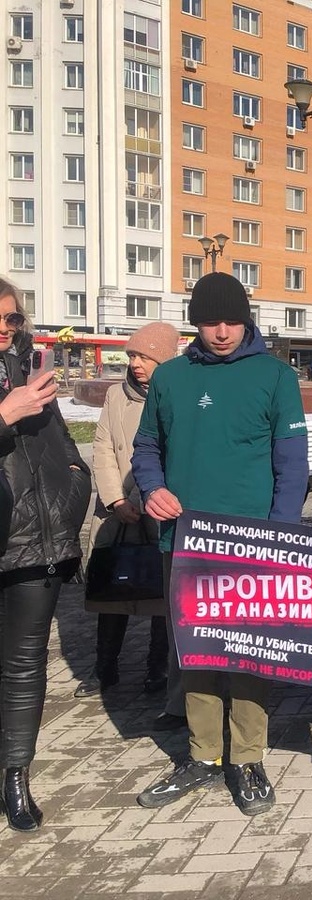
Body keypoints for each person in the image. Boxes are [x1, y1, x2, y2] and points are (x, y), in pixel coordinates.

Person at [132, 272, 308, 816]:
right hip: (184, 539)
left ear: (247, 321)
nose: (223, 332)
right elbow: (146, 445)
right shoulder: (171, 377)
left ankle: (248, 757)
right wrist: (152, 488)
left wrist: (280, 534)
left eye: (232, 321)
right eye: (211, 322)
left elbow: (291, 465)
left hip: (251, 541)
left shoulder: (275, 376)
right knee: (196, 651)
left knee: (249, 653)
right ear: (196, 324)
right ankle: (204, 754)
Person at [0, 278, 91, 832]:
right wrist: (5, 415)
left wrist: (75, 484)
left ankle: (16, 775)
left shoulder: (26, 371)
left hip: (37, 543)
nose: (4, 328)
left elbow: (61, 443)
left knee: (24, 664)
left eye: (11, 318)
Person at [75, 323, 181, 710]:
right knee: (112, 588)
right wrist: (117, 499)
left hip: (160, 506)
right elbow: (104, 447)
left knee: (160, 591)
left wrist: (147, 496)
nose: (136, 363)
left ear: (164, 359)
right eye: (133, 355)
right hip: (117, 508)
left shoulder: (178, 392)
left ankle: (158, 667)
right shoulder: (117, 395)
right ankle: (105, 668)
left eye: (145, 357)